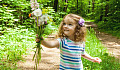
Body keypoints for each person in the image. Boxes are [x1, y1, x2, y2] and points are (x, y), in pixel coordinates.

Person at [36, 14, 102, 70]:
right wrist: (42, 41)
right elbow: (50, 44)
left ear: (77, 28)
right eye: (64, 24)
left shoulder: (80, 42)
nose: (65, 26)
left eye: (70, 24)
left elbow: (82, 53)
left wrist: (92, 59)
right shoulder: (62, 41)